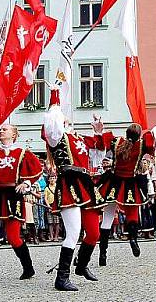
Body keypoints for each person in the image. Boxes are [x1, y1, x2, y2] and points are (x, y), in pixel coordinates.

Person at [98, 110, 156, 261]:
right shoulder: (141, 144)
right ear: (139, 134)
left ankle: (103, 252)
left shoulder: (116, 142)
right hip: (130, 183)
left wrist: (100, 129)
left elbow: (101, 141)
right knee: (132, 215)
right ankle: (133, 240)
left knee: (107, 217)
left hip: (113, 182)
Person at [42, 87, 108, 291]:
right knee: (73, 232)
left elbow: (98, 152)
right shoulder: (56, 137)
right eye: (62, 117)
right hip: (69, 182)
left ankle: (81, 266)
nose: (65, 118)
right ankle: (61, 278)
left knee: (94, 233)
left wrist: (98, 131)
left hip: (84, 184)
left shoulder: (79, 138)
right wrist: (54, 98)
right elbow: (52, 126)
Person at [0, 124, 43, 284]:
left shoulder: (23, 153)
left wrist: (25, 184)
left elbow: (36, 171)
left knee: (13, 237)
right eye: (0, 129)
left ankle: (28, 268)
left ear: (14, 134)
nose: (1, 131)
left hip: (13, 196)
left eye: (5, 129)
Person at [44, 173, 60, 242]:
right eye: (51, 178)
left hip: (56, 206)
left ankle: (56, 236)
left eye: (53, 178)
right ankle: (51, 236)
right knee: (50, 222)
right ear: (48, 179)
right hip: (49, 206)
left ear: (56, 179)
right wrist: (48, 206)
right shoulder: (47, 188)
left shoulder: (58, 187)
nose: (52, 179)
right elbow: (45, 198)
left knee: (57, 222)